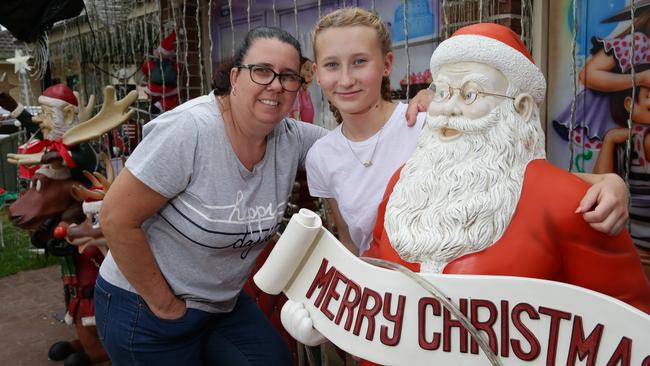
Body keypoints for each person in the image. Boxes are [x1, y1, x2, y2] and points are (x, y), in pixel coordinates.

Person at [366, 23, 650, 314]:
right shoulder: (402, 185)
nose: (449, 108)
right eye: (441, 93)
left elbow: (628, 323)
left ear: (522, 108)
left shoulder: (573, 203)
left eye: (470, 94)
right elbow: (371, 282)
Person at [306, 7, 630, 257]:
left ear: (386, 64)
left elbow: (516, 176)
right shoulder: (321, 155)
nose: (346, 79)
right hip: (384, 302)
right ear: (317, 74)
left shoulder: (432, 120)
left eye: (360, 61)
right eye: (332, 65)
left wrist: (612, 183)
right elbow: (350, 241)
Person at [96, 27, 326, 365]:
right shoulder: (191, 130)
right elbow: (115, 217)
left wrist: (426, 103)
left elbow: (360, 142)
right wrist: (164, 305)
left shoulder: (291, 137)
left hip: (220, 306)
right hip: (143, 308)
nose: (275, 85)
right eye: (262, 71)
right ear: (235, 77)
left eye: (288, 76)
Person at [288, 57, 315, 123]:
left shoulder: (307, 93)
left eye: (312, 73)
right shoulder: (296, 92)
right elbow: (296, 117)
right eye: (307, 69)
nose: (309, 74)